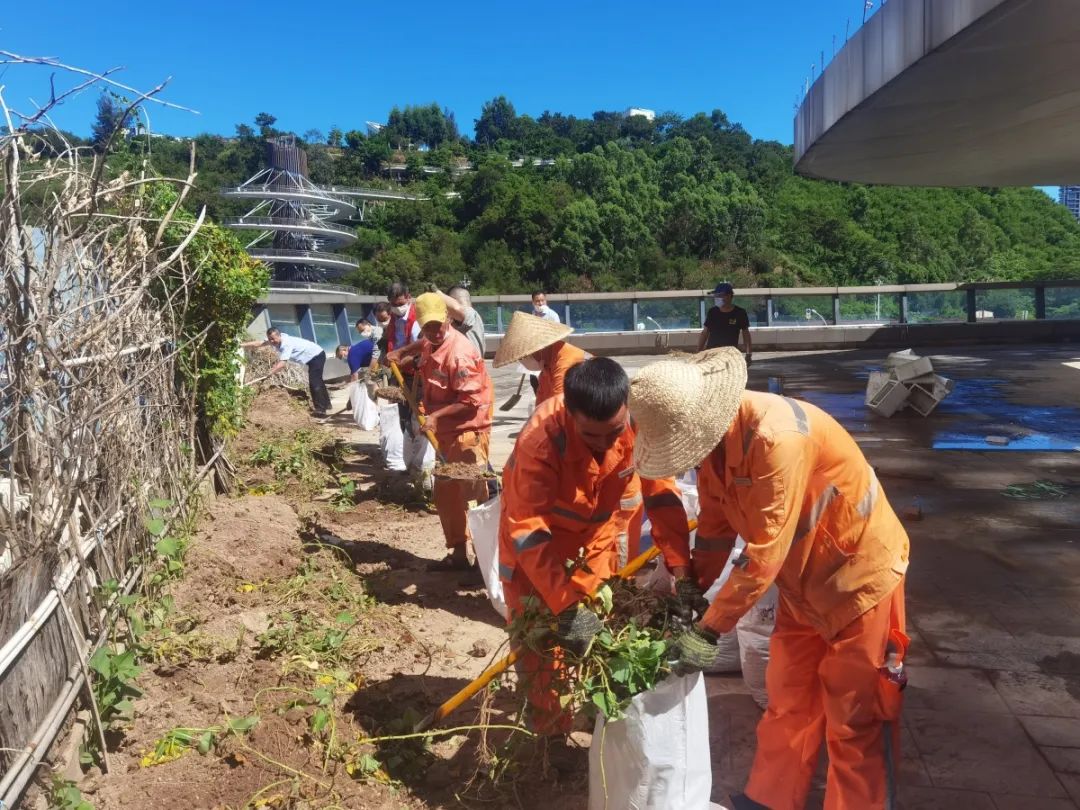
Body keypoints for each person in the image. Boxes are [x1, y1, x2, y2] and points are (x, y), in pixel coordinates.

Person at [628, 348, 911, 810]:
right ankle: (770, 801)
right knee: (788, 699)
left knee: (855, 717)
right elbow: (716, 529)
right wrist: (693, 584)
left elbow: (763, 553)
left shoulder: (778, 438)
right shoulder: (717, 447)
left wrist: (708, 630)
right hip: (803, 588)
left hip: (861, 581)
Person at [499, 357, 693, 735]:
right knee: (541, 649)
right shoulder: (540, 442)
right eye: (592, 437)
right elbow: (529, 529)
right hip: (534, 555)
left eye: (614, 432)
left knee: (600, 633)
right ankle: (550, 736)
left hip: (593, 545)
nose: (606, 444)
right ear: (570, 415)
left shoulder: (640, 422)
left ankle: (597, 719)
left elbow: (662, 496)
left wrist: (681, 571)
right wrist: (565, 606)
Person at [387, 293, 494, 572]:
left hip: (468, 432)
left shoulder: (460, 353)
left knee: (474, 497)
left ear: (448, 319)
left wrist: (434, 417)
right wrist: (402, 352)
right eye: (427, 327)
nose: (433, 332)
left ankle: (484, 564)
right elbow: (422, 344)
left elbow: (470, 400)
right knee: (447, 496)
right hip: (444, 434)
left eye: (438, 325)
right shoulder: (430, 340)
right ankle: (458, 554)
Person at [493, 311, 584, 405]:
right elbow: (542, 399)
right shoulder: (546, 366)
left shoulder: (566, 360)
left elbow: (558, 405)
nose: (522, 361)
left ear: (536, 350)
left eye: (522, 357)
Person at [242, 328, 331, 416]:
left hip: (316, 355)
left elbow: (282, 364)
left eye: (273, 339)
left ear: (279, 335)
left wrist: (270, 373)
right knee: (318, 380)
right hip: (313, 356)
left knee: (314, 381)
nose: (271, 341)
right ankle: (327, 404)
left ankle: (320, 410)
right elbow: (260, 343)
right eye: (270, 339)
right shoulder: (275, 340)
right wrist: (242, 345)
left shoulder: (286, 344)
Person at [698, 282, 752, 365]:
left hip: (729, 355)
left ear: (729, 296)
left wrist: (748, 354)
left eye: (719, 296)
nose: (717, 298)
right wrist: (699, 351)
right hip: (712, 354)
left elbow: (746, 334)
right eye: (716, 296)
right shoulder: (712, 312)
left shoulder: (740, 313)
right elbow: (705, 332)